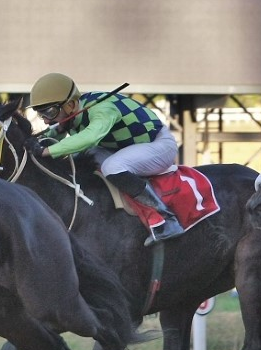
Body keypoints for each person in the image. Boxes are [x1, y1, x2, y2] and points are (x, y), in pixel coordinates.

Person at [27, 73, 183, 246]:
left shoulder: (102, 108)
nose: (47, 120)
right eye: (41, 114)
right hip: (127, 148)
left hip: (159, 146)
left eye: (50, 112)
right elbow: (56, 135)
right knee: (79, 158)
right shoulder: (74, 113)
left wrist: (46, 151)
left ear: (70, 105)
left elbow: (90, 137)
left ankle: (165, 219)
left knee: (112, 166)